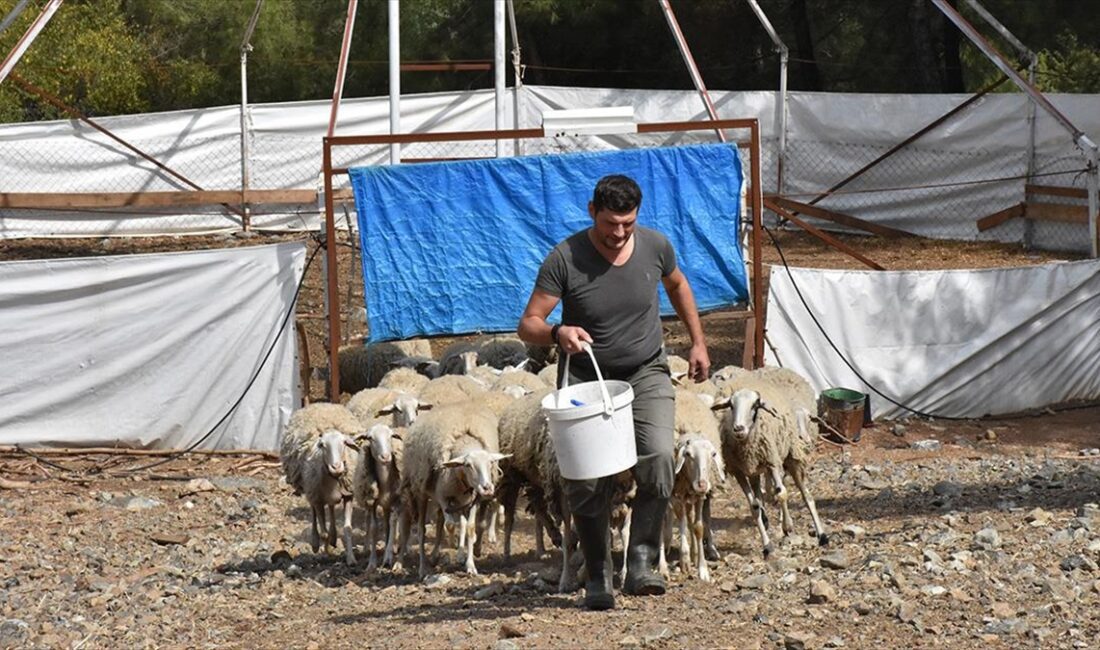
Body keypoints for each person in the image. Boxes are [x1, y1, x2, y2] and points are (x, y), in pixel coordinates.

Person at [517, 173, 710, 610]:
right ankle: (599, 572)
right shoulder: (565, 257)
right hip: (588, 378)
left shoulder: (655, 246)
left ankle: (642, 560)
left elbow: (677, 284)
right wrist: (558, 332)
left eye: (627, 224)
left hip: (645, 371)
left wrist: (698, 341)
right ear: (592, 212)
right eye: (610, 224)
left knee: (659, 457)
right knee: (584, 477)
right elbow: (527, 323)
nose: (619, 234)